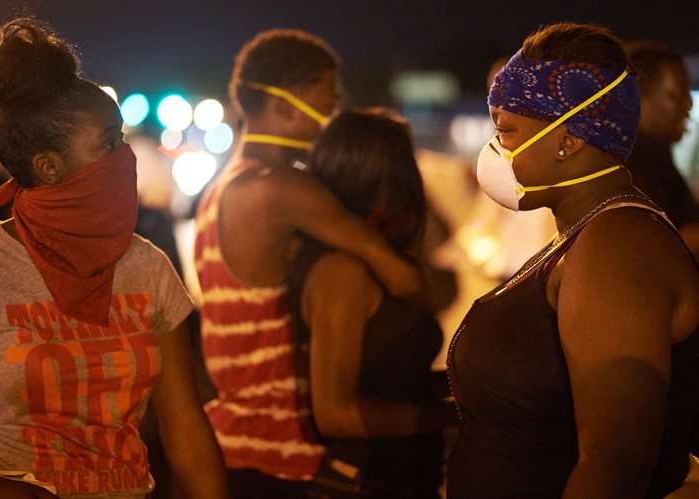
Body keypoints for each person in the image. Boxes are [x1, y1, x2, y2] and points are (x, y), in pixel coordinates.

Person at [0, 19, 228, 499]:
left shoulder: (149, 267)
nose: (127, 156)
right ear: (48, 167)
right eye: (108, 142)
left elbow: (186, 434)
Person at [446, 23, 699, 499]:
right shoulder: (587, 233)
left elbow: (614, 462)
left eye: (506, 130)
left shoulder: (618, 246)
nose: (495, 150)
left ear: (569, 139)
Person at [194, 30, 421, 498]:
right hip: (280, 454)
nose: (335, 114)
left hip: (238, 445)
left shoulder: (227, 185)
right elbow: (403, 278)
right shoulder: (279, 188)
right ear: (285, 105)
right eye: (329, 99)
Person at [287, 109, 455, 499]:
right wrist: (448, 416)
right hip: (360, 482)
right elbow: (335, 413)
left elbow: (395, 381)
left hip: (397, 479)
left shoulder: (375, 262)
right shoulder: (342, 271)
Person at [624, 41, 699, 257]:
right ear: (638, 99)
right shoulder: (637, 161)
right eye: (675, 95)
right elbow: (661, 245)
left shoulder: (650, 155)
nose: (688, 106)